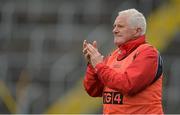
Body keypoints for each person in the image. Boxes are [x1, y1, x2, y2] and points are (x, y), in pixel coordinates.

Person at [82, 8, 164, 114]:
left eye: (120, 26)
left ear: (137, 31)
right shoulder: (114, 55)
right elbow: (93, 90)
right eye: (114, 26)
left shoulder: (148, 53)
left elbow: (128, 85)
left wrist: (98, 65)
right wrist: (92, 65)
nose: (114, 30)